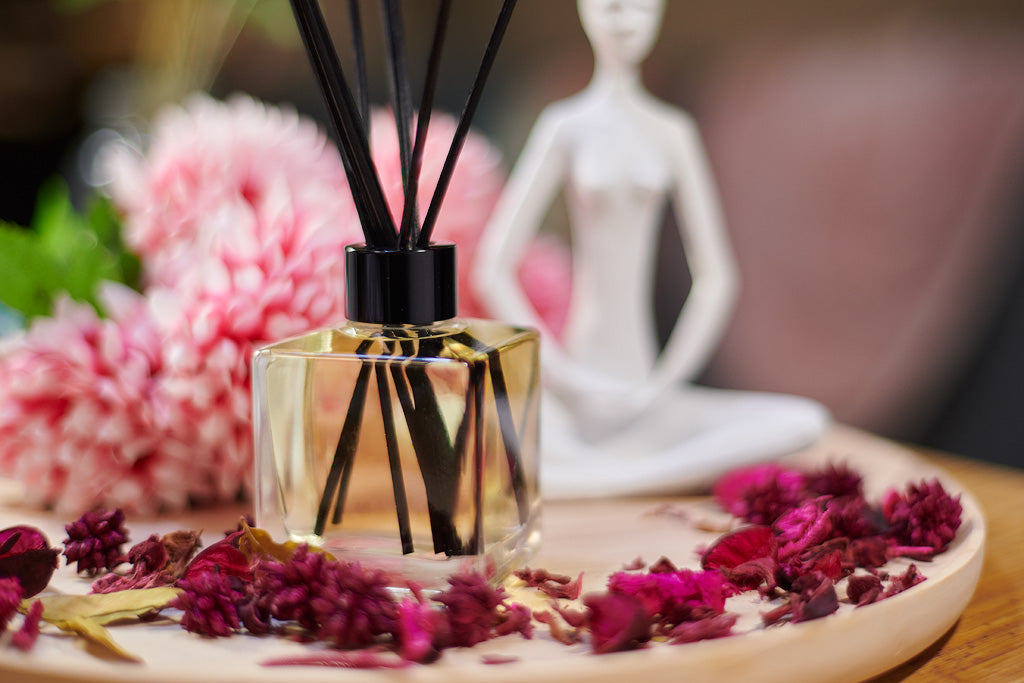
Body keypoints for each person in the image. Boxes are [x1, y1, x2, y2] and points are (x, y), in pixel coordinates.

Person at [474, 0, 827, 498]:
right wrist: (563, 374)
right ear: (585, 11)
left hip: (647, 378)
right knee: (481, 431)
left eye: (642, 7)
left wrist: (666, 380)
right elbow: (494, 267)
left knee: (802, 421)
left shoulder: (671, 132)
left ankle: (606, 478)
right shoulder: (566, 126)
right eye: (612, 6)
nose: (627, 22)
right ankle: (618, 473)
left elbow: (717, 279)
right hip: (577, 380)